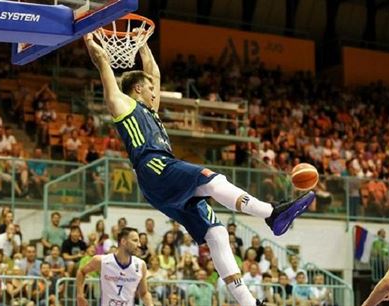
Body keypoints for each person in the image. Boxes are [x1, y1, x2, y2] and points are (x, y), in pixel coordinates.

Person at [84, 32, 315, 306]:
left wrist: (141, 44)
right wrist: (89, 38)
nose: (155, 91)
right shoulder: (122, 104)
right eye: (149, 89)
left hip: (162, 183)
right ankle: (271, 214)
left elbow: (154, 72)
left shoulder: (151, 111)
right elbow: (102, 62)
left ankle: (249, 303)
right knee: (212, 180)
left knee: (216, 232)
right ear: (137, 90)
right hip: (155, 167)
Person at [76, 227, 154, 306]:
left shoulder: (141, 265)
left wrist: (150, 304)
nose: (139, 245)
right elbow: (81, 272)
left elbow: (144, 293)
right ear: (123, 241)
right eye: (135, 241)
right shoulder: (102, 261)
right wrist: (80, 295)